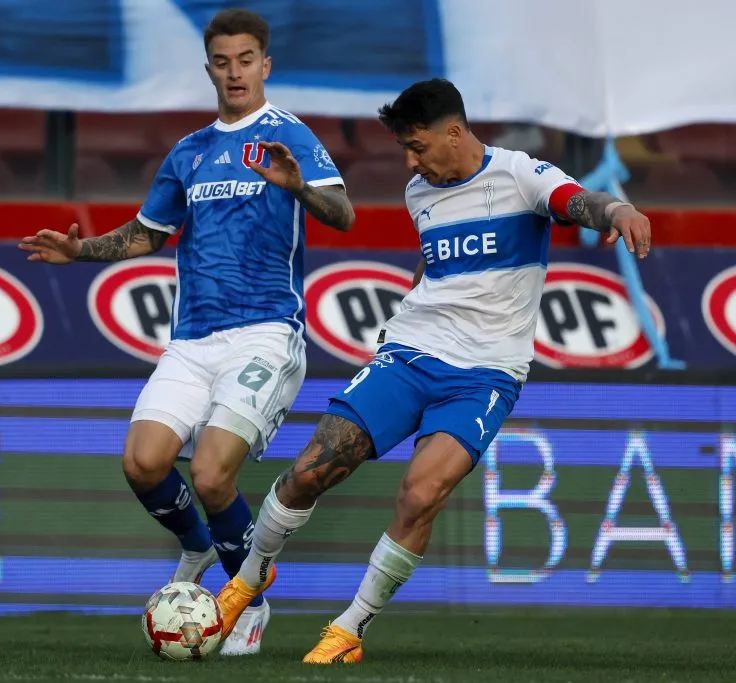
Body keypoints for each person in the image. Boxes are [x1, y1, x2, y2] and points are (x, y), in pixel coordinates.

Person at [213, 77, 653, 663]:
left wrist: (617, 209)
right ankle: (247, 580)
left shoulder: (521, 174)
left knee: (421, 494)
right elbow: (436, 269)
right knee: (308, 473)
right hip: (410, 355)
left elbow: (577, 202)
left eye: (417, 146)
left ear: (454, 132)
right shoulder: (421, 192)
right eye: (406, 150)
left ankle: (350, 628)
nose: (410, 161)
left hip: (485, 375)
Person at [18, 8, 354, 656]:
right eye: (223, 62)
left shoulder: (289, 136)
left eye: (246, 60)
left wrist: (297, 186)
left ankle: (248, 598)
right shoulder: (190, 152)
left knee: (209, 473)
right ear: (210, 69)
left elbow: (342, 212)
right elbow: (148, 233)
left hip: (265, 333)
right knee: (142, 461)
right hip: (194, 338)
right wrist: (78, 251)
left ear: (266, 64)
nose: (235, 73)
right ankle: (199, 545)